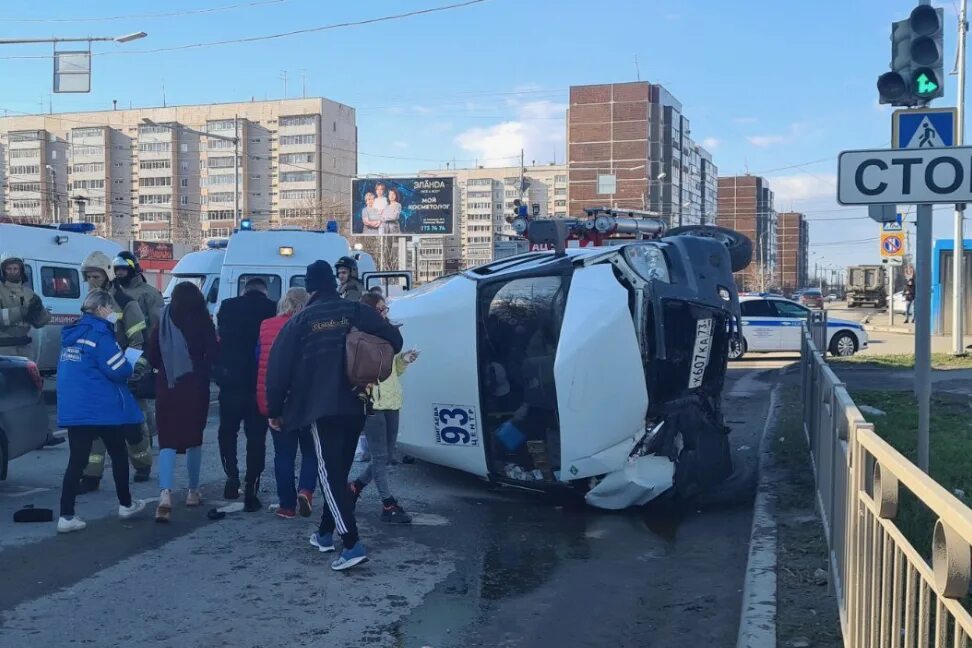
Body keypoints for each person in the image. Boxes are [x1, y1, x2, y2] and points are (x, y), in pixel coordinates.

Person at [266, 260, 403, 571]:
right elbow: (394, 339)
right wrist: (367, 362)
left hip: (318, 407)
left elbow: (277, 370)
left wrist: (275, 411)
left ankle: (351, 544)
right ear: (332, 282)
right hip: (356, 403)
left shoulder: (300, 321)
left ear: (310, 287)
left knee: (328, 475)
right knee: (337, 474)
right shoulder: (355, 311)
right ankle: (325, 534)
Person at [56, 289, 148, 533]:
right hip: (100, 407)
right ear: (100, 309)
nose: (113, 314)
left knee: (76, 461)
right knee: (118, 453)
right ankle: (126, 504)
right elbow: (119, 370)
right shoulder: (100, 334)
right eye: (110, 309)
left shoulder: (72, 334)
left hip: (76, 408)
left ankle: (66, 515)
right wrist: (129, 362)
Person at [79, 251, 153, 490]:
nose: (92, 281)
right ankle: (92, 475)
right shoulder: (88, 303)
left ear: (107, 275)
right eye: (89, 276)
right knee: (95, 427)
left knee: (133, 425)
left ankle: (142, 465)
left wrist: (131, 370)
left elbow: (137, 342)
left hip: (122, 373)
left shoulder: (125, 303)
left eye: (96, 276)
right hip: (98, 375)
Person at [146, 282, 219, 522]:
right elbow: (213, 350)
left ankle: (165, 494)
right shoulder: (202, 319)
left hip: (168, 384)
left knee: (166, 440)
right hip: (195, 384)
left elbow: (153, 355)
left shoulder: (163, 319)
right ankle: (192, 491)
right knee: (193, 438)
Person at [349, 293, 418, 523]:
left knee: (386, 455)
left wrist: (404, 361)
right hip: (372, 402)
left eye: (385, 308)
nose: (385, 312)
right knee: (380, 456)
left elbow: (394, 371)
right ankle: (388, 504)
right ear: (370, 311)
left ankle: (355, 487)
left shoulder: (390, 333)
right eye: (381, 309)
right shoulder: (360, 336)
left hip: (392, 400)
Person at [215, 276, 277, 511]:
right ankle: (252, 488)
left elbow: (221, 336)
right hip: (258, 384)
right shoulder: (272, 308)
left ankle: (231, 476)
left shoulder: (228, 307)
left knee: (227, 433)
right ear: (264, 291)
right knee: (257, 439)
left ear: (244, 290)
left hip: (230, 381)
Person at [255, 287, 317, 519]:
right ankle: (306, 490)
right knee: (310, 452)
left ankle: (287, 505)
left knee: (283, 454)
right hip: (305, 401)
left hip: (276, 400)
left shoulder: (265, 326)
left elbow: (258, 358)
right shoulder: (309, 327)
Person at [113, 251, 164, 449]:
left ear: (133, 269)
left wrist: (151, 357)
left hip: (139, 354)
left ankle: (145, 441)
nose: (119, 274)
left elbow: (157, 327)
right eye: (116, 270)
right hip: (113, 355)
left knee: (139, 401)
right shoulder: (111, 293)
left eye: (123, 269)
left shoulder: (149, 294)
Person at [0, 252, 50, 360]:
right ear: (3, 271)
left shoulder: (29, 293)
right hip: (4, 349)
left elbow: (39, 323)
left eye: (15, 268)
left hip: (24, 349)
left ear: (21, 270)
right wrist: (21, 312)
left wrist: (41, 313)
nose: (12, 272)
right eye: (9, 269)